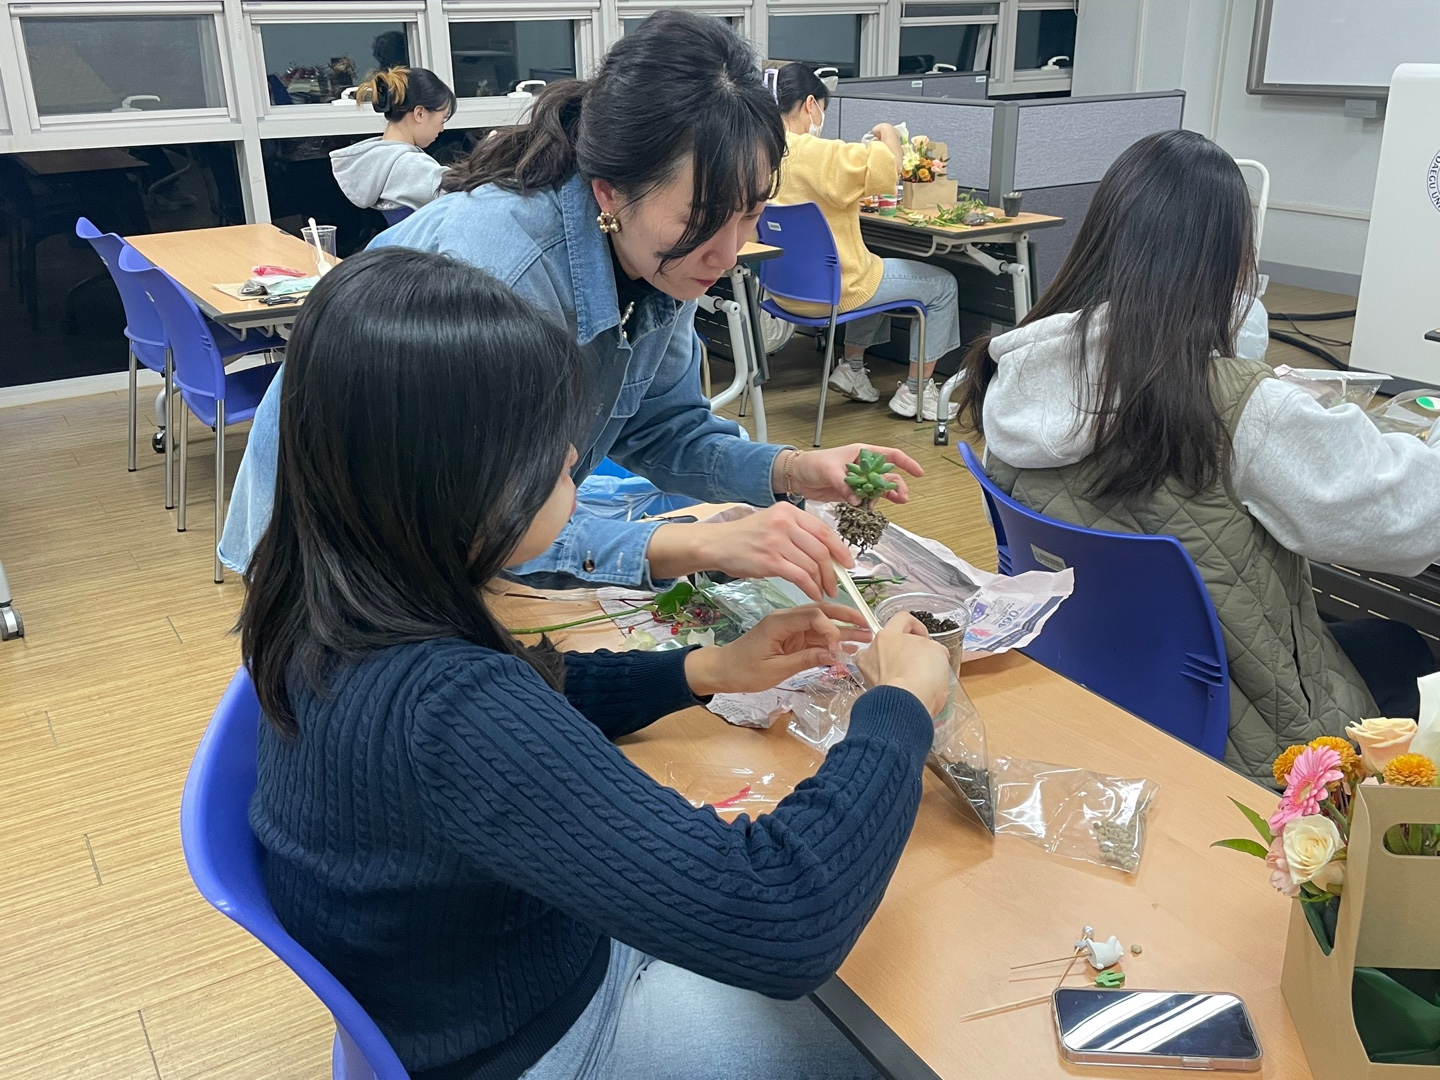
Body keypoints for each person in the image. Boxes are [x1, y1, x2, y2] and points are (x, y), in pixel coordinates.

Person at [241, 246, 953, 1080]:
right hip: (543, 1038)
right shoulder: (448, 709)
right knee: (908, 1029)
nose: (573, 458)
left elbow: (532, 699)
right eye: (548, 446)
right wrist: (899, 709)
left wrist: (703, 671)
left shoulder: (336, 605)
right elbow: (784, 918)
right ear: (454, 479)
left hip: (473, 982)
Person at [221, 11, 924, 603]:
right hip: (343, 557)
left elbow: (663, 428)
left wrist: (793, 472)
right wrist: (698, 544)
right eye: (703, 217)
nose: (726, 252)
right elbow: (487, 521)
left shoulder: (658, 255)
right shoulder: (502, 280)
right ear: (610, 191)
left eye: (750, 213)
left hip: (459, 540)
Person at [956, 129, 1440, 784]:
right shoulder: (1241, 408)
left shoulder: (1015, 372)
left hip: (1104, 684)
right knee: (1405, 646)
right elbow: (1411, 519)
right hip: (1256, 743)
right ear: (1228, 263)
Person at [770, 63, 963, 422]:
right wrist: (887, 131)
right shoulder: (816, 151)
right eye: (821, 109)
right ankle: (917, 392)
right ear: (810, 104)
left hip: (783, 291)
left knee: (874, 263)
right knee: (943, 286)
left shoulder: (761, 148)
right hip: (836, 291)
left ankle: (853, 369)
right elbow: (889, 172)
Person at [330, 67, 455, 213]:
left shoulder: (374, 162)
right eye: (442, 120)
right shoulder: (412, 165)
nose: (442, 129)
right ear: (420, 113)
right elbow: (461, 194)